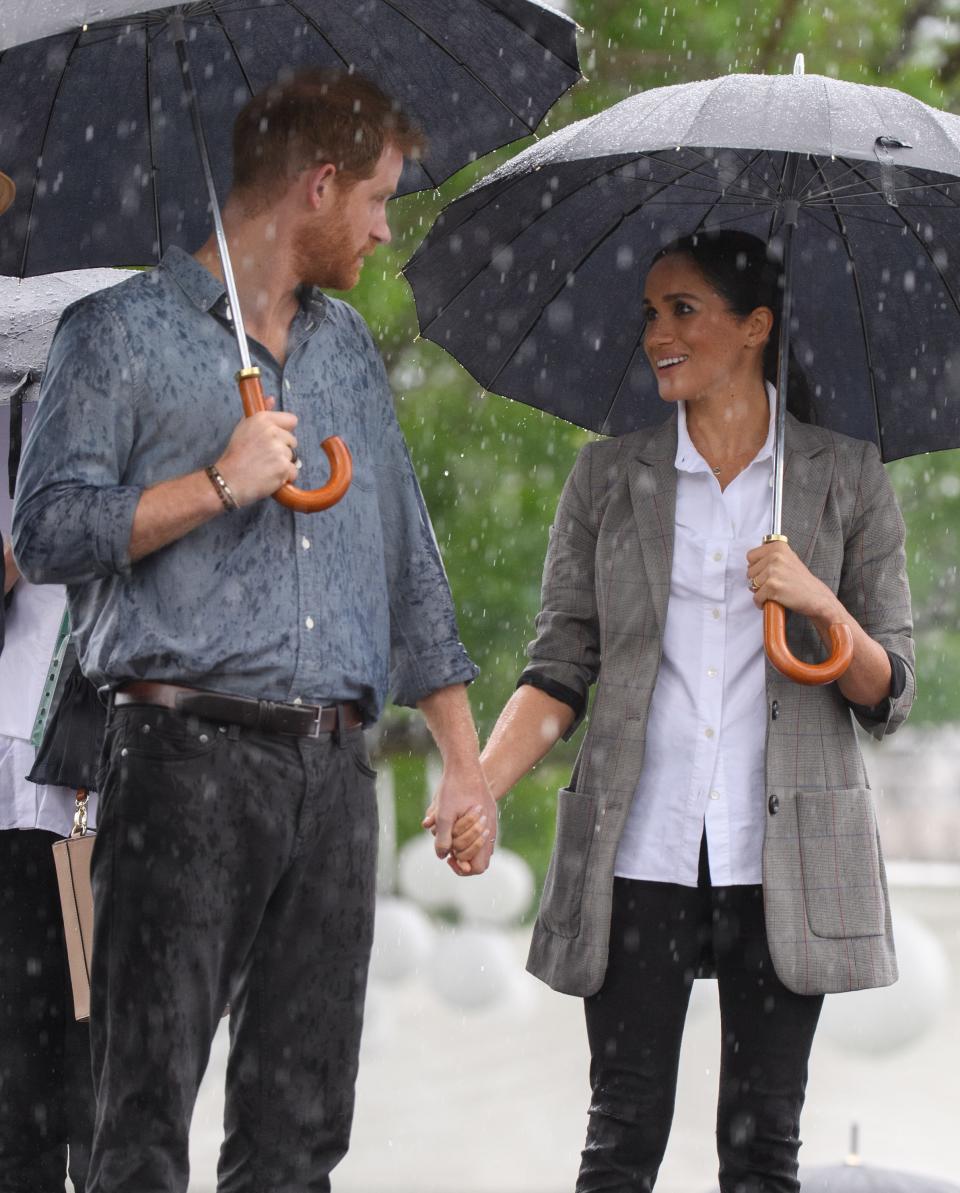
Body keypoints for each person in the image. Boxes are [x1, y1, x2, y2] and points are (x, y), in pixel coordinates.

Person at [13, 71, 496, 1193]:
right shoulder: (115, 335)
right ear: (318, 185)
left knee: (300, 1129)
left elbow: (406, 566)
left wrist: (464, 764)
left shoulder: (347, 356)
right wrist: (216, 483)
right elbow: (45, 533)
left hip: (335, 776)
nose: (382, 226)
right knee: (141, 1114)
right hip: (180, 762)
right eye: (375, 198)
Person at [442, 230, 915, 1191]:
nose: (657, 331)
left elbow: (887, 690)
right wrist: (480, 786)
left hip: (786, 857)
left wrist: (820, 603)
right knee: (620, 1137)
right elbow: (559, 669)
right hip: (639, 845)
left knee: (761, 1148)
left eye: (683, 310)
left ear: (755, 328)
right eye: (650, 313)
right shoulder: (608, 477)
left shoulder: (845, 475)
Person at [1, 167, 97, 1193]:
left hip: (96, 792)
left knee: (101, 1071)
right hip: (5, 794)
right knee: (14, 1092)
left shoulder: (134, 414)